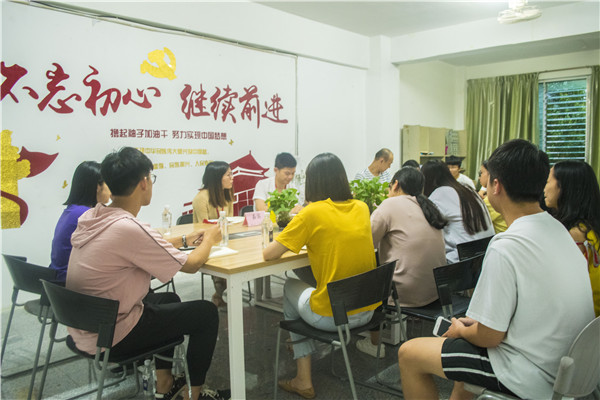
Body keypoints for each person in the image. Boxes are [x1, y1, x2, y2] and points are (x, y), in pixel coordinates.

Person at [397, 139, 595, 400]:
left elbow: (489, 337)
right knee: (463, 366)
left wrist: (461, 330)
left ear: (496, 185)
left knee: (409, 353)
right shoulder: (558, 229)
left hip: (530, 373)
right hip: (571, 368)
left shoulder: (506, 245)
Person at [66, 147, 229, 400]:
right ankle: (193, 395)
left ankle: (164, 383)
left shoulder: (95, 216)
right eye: (151, 178)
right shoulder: (127, 226)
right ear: (144, 182)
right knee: (206, 314)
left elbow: (144, 245)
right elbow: (192, 264)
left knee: (169, 299)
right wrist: (210, 238)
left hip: (85, 328)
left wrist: (184, 239)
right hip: (112, 336)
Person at [264, 153, 378, 399]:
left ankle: (303, 378)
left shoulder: (312, 212)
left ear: (312, 182)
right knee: (315, 281)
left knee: (290, 286)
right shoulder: (361, 207)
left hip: (333, 317)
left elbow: (269, 254)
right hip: (368, 311)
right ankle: (301, 347)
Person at [356, 167, 447, 358]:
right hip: (436, 291)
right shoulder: (427, 205)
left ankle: (374, 344)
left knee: (367, 277)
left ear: (395, 184)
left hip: (405, 293)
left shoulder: (390, 204)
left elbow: (365, 242)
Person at [544, 160, 600, 316]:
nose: (544, 188)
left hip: (585, 319)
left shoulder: (576, 235)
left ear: (565, 188)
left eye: (548, 181)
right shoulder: (590, 227)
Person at [49, 161, 111, 282]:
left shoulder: (73, 210)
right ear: (98, 187)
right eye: (109, 184)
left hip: (58, 281)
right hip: (71, 283)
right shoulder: (86, 215)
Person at [422, 160, 494, 263]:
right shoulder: (467, 189)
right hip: (485, 255)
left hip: (460, 261)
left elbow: (425, 229)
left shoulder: (440, 194)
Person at [192, 161, 234, 308]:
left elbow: (230, 221)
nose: (232, 178)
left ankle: (221, 294)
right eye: (228, 175)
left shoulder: (226, 195)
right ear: (217, 178)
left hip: (225, 239)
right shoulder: (201, 198)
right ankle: (220, 294)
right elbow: (202, 227)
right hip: (206, 242)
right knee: (224, 260)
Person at [478, 160, 507, 233]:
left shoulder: (490, 201)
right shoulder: (506, 194)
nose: (479, 177)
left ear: (491, 175)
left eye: (481, 173)